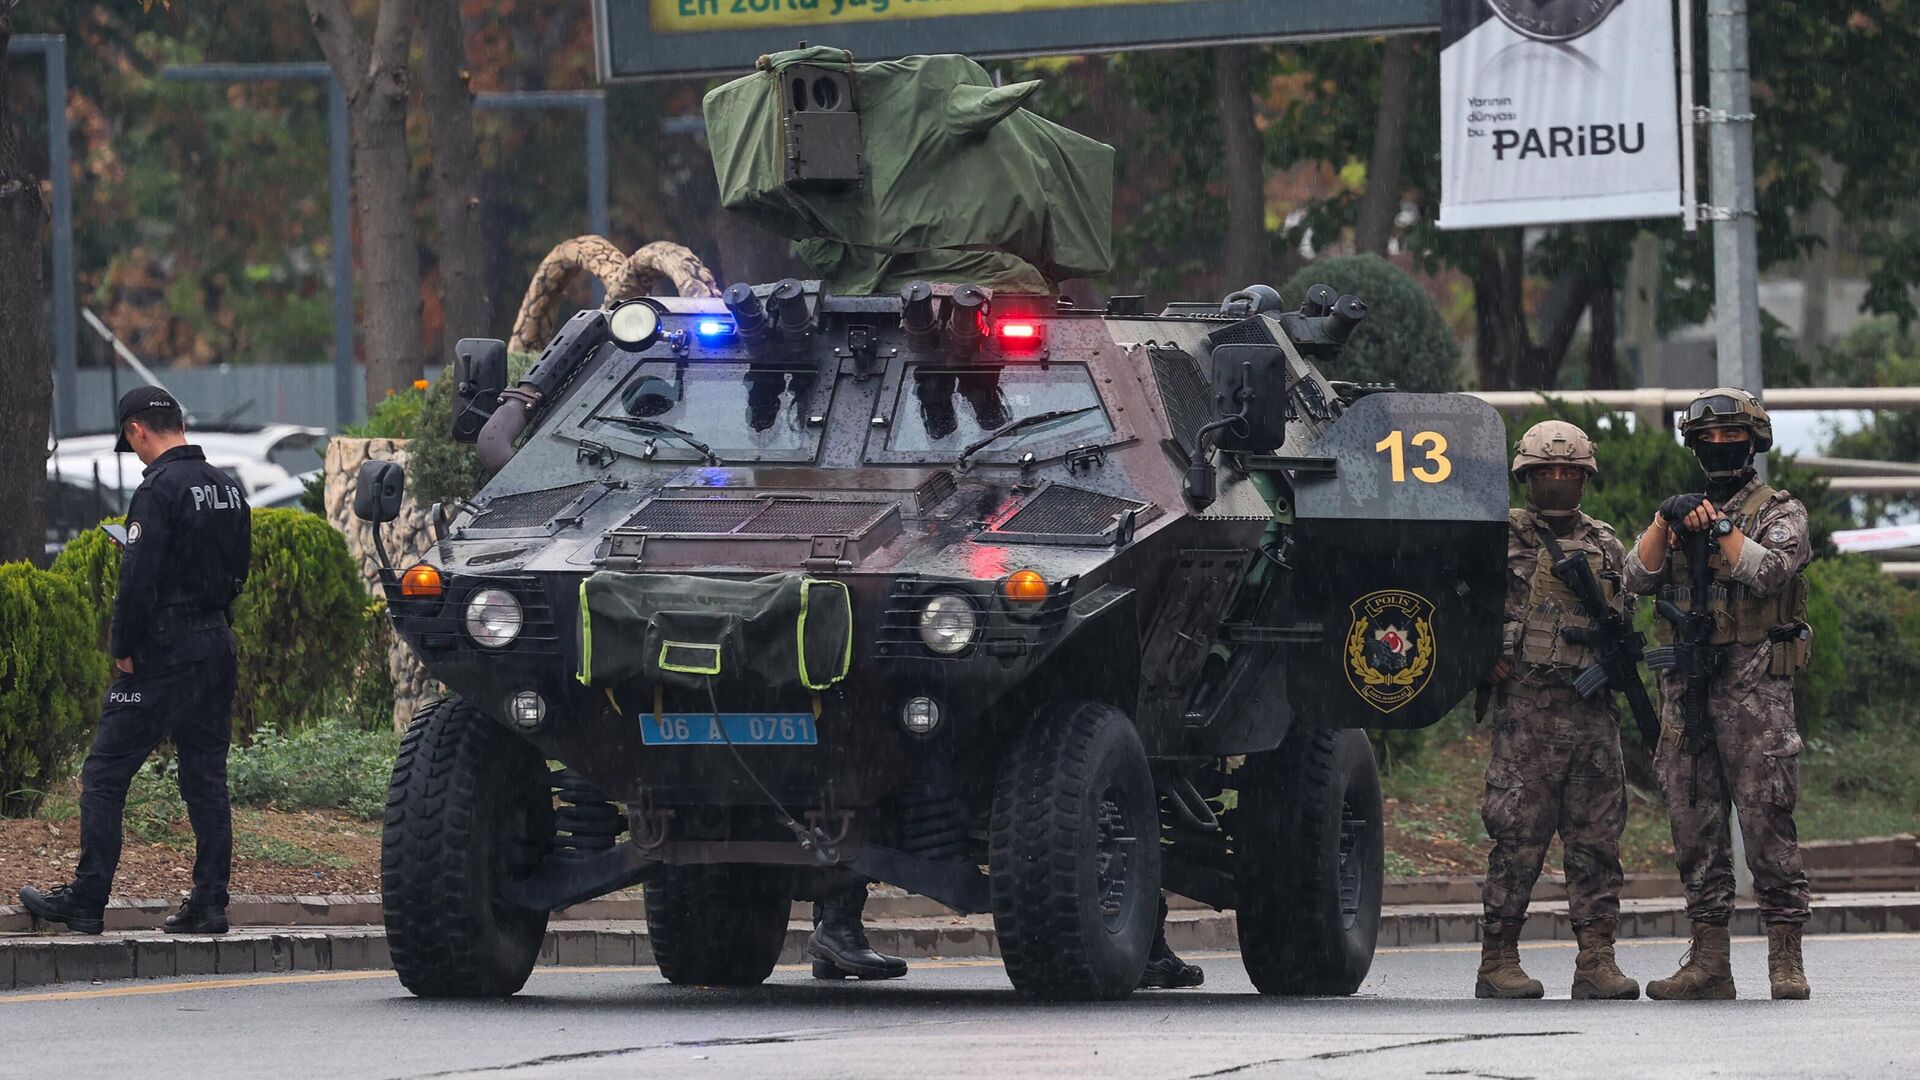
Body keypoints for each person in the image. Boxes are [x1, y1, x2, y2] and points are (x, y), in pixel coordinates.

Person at [20, 387, 252, 937]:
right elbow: (239, 567)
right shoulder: (227, 487)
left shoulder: (159, 490)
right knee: (205, 777)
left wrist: (124, 648)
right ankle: (210, 902)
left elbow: (138, 578)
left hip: (166, 648)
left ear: (137, 431)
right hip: (216, 642)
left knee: (104, 774)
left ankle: (85, 899)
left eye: (133, 444)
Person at [1623, 387, 1813, 1001]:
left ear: (1755, 444)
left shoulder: (1780, 512)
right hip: (1689, 694)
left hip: (1756, 695)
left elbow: (1768, 572)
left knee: (1766, 824)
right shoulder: (1681, 514)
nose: (1721, 448)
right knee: (1694, 826)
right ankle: (1709, 962)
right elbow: (1634, 578)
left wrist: (1722, 525)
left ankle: (1786, 959)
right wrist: (1663, 521)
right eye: (1709, 439)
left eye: (1733, 438)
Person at [1476, 420, 1639, 1000]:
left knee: (1597, 840)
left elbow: (1625, 615)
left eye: (1569, 472)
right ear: (1526, 476)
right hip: (1528, 714)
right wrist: (1484, 656)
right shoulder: (1498, 539)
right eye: (1547, 471)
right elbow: (1459, 606)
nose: (1558, 481)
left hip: (1592, 714)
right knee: (1518, 839)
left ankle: (1596, 959)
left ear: (1585, 478)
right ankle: (1498, 960)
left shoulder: (1604, 543)